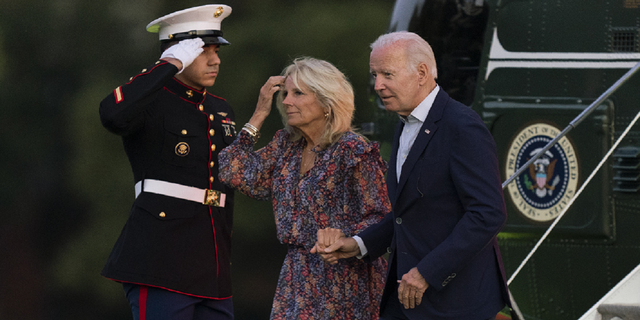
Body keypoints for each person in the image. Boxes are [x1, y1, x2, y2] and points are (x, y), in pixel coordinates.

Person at [314, 31, 515, 320]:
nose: (378, 85)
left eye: (387, 74)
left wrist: (426, 273)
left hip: (456, 304)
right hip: (408, 302)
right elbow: (408, 212)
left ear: (421, 73)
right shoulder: (404, 123)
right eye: (375, 75)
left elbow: (488, 214)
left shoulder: (462, 126)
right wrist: (359, 244)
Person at [218, 57, 390, 320]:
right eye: (285, 93)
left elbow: (380, 216)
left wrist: (347, 239)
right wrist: (259, 114)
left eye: (298, 93)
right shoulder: (286, 145)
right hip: (296, 276)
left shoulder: (354, 150)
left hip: (344, 277)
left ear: (326, 102)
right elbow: (231, 171)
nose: (286, 101)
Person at [99, 5, 237, 320]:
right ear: (180, 53)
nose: (215, 60)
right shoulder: (150, 100)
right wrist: (168, 65)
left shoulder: (220, 108)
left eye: (216, 51)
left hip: (212, 267)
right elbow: (111, 114)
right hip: (161, 261)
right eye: (203, 52)